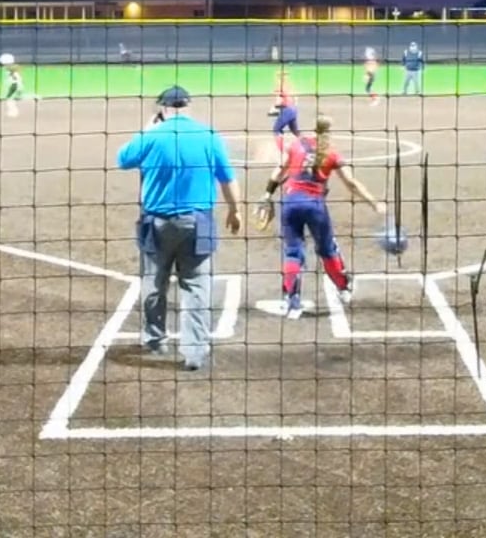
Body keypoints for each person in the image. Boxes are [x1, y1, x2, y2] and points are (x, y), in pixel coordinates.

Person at [115, 85, 243, 372]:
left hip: (157, 222)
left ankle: (155, 340)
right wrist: (235, 210)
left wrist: (147, 130)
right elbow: (227, 179)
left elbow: (123, 160)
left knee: (153, 282)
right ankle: (194, 352)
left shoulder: (152, 136)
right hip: (198, 222)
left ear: (162, 108)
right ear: (188, 106)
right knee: (196, 286)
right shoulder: (209, 136)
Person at [262, 116, 388, 318]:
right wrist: (374, 203)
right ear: (328, 132)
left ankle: (292, 300)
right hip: (315, 206)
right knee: (327, 249)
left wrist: (267, 195)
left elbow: (278, 171)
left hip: (290, 203)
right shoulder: (331, 153)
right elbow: (351, 183)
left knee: (293, 252)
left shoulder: (297, 145)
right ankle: (344, 288)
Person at [268, 66, 300, 155]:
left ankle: (282, 153)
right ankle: (306, 146)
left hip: (287, 110)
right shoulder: (290, 87)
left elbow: (278, 101)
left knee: (276, 130)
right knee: (295, 131)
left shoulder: (280, 88)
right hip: (294, 110)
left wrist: (273, 109)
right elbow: (296, 99)